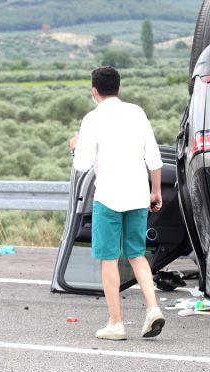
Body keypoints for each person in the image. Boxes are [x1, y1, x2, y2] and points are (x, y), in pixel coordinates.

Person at [69, 66, 165, 340]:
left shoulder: (92, 119)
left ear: (94, 91)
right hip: (137, 194)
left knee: (109, 259)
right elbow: (154, 157)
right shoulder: (136, 112)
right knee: (136, 254)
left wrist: (75, 145)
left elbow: (82, 164)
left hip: (108, 198)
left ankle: (116, 323)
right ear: (119, 88)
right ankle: (153, 308)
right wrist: (155, 191)